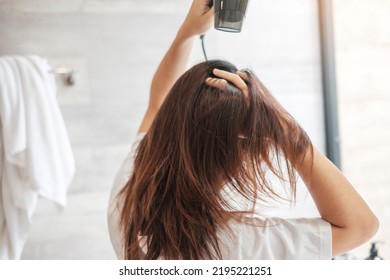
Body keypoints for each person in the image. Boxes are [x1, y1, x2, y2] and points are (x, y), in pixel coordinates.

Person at [107, 0, 379, 260]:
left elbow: (157, 104)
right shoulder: (239, 243)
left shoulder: (129, 198)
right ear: (233, 157)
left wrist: (186, 33)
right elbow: (360, 226)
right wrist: (281, 123)